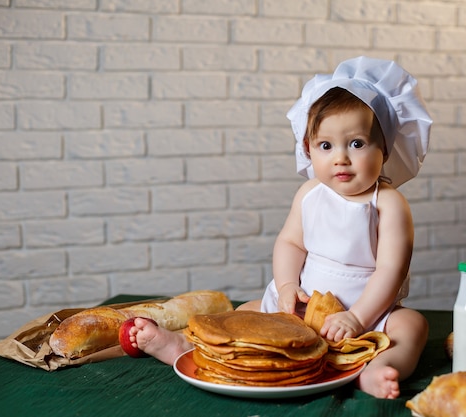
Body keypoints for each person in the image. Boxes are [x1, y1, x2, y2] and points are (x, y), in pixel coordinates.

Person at [128, 56, 433, 399]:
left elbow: (391, 271)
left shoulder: (389, 204)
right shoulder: (309, 194)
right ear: (308, 148)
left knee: (412, 326)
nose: (341, 158)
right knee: (244, 313)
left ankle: (376, 370)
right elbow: (290, 244)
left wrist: (357, 319)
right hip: (300, 310)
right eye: (326, 145)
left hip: (365, 312)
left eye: (357, 143)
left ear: (386, 148)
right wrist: (288, 286)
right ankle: (184, 347)